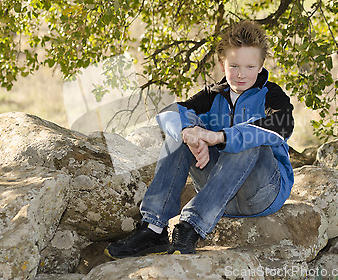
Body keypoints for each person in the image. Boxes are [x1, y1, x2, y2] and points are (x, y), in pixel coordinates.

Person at [104, 20, 294, 259]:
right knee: (182, 133)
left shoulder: (272, 95)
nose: (241, 74)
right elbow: (167, 113)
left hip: (261, 194)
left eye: (249, 66)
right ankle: (154, 228)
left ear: (260, 66)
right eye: (234, 65)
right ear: (222, 62)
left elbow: (283, 126)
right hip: (216, 194)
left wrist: (219, 137)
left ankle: (190, 226)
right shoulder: (213, 94)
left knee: (247, 140)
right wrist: (190, 134)